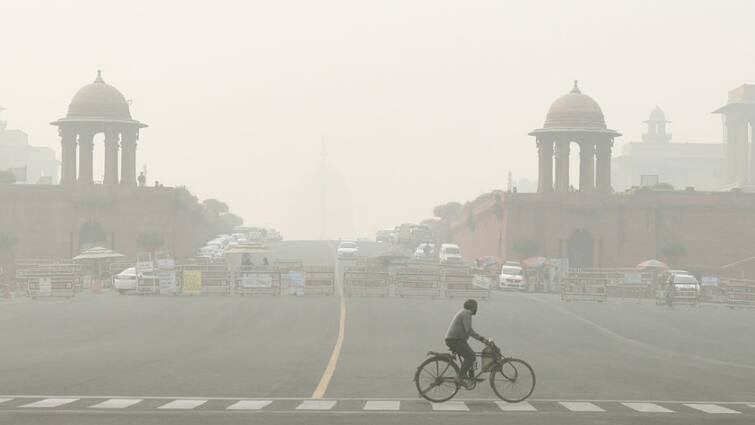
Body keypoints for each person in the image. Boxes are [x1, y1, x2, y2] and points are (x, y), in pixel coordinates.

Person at [444, 299, 489, 389]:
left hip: (456, 340)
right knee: (471, 356)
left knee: (472, 356)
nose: (476, 309)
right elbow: (469, 330)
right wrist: (482, 339)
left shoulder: (463, 312)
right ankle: (459, 377)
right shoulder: (467, 313)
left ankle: (471, 377)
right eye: (476, 307)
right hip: (455, 340)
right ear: (473, 307)